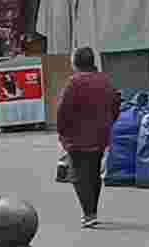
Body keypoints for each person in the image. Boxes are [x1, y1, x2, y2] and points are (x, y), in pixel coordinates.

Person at [51, 45, 122, 224]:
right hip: (100, 135)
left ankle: (88, 213)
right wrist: (108, 123)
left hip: (77, 137)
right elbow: (115, 104)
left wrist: (62, 131)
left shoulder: (74, 83)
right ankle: (92, 211)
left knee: (79, 175)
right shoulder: (105, 80)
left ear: (75, 63)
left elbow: (62, 111)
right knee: (93, 173)